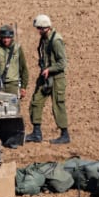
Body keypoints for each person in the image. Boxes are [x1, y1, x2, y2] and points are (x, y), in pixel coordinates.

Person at [24, 14, 69, 144]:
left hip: (56, 78)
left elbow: (62, 63)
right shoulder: (44, 39)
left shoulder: (56, 41)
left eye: (40, 28)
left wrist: (50, 69)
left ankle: (64, 134)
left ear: (46, 28)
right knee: (36, 102)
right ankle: (36, 133)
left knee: (58, 105)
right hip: (45, 77)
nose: (38, 31)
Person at [0, 25, 28, 99]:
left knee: (13, 108)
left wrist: (23, 87)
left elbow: (24, 69)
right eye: (4, 37)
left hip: (13, 84)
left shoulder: (17, 48)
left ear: (11, 37)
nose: (6, 40)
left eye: (8, 37)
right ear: (0, 37)